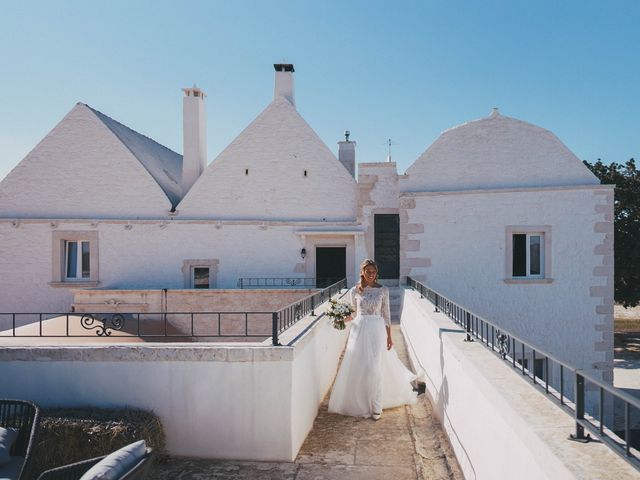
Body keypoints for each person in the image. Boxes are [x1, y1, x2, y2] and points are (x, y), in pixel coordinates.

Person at [328, 259, 417, 420]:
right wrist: (339, 320)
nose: (371, 274)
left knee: (374, 367)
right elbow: (353, 314)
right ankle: (361, 401)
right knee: (362, 366)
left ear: (376, 273)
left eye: (373, 272)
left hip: (377, 329)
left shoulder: (383, 290)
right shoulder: (355, 291)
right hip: (360, 329)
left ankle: (376, 406)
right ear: (362, 272)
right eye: (368, 271)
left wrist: (389, 336)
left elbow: (387, 314)